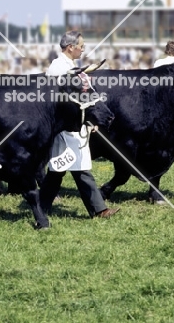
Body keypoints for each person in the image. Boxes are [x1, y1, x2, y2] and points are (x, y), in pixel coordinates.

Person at [39, 31, 120, 219]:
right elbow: (60, 97)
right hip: (64, 127)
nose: (83, 49)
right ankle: (99, 210)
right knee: (77, 169)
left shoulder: (71, 66)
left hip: (75, 123)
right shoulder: (58, 67)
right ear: (70, 47)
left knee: (58, 171)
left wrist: (89, 119)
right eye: (81, 46)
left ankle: (41, 207)